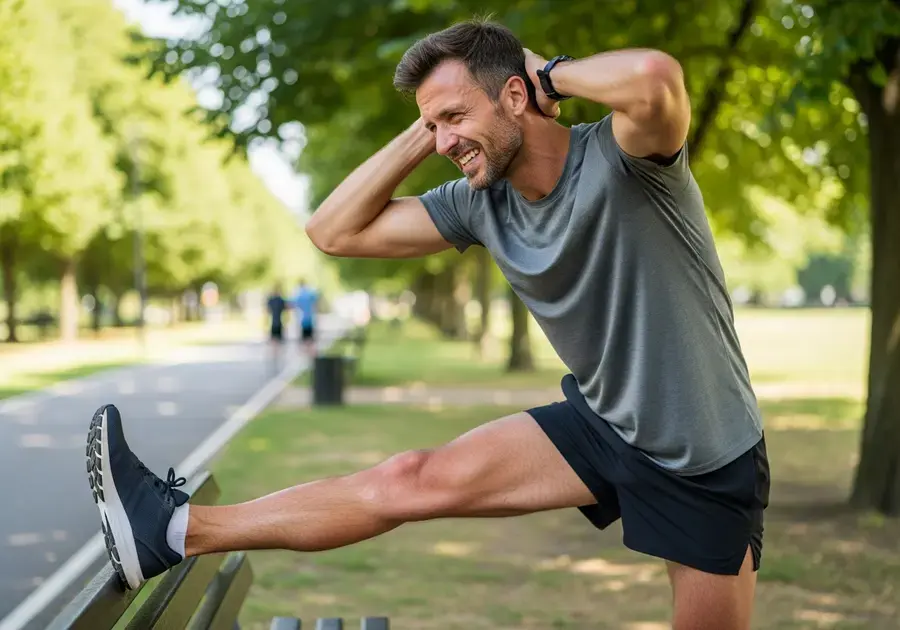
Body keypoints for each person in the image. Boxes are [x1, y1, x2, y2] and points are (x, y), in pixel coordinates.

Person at [85, 19, 769, 630]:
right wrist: (433, 129)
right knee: (410, 476)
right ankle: (173, 531)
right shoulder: (479, 203)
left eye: (451, 117)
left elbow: (653, 77)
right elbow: (331, 230)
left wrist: (547, 74)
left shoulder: (626, 158)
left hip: (702, 454)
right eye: (430, 125)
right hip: (606, 422)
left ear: (514, 97)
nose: (443, 141)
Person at [292, 278, 319, 355]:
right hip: (310, 319)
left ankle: (307, 356)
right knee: (310, 339)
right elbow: (316, 303)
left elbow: (294, 305)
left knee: (304, 340)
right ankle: (311, 356)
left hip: (302, 320)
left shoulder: (298, 295)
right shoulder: (310, 293)